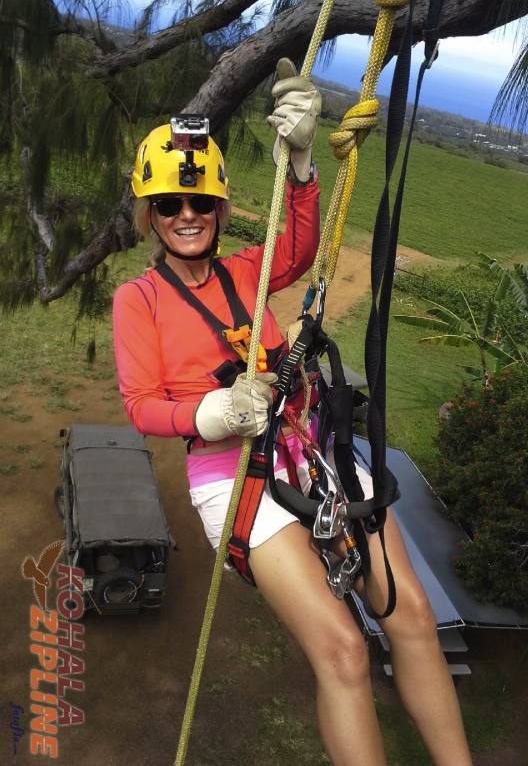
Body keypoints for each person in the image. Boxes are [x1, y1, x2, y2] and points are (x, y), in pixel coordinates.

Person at [113, 61, 473, 766]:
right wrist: (208, 413)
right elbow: (140, 405)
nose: (186, 217)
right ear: (149, 215)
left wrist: (303, 165)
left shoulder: (244, 270)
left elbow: (303, 248)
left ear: (218, 210)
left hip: (309, 449)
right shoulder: (139, 301)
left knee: (411, 615)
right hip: (233, 474)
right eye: (168, 205)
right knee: (341, 650)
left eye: (199, 205)